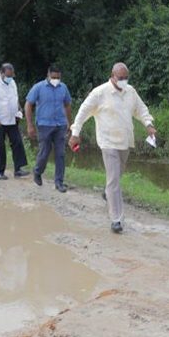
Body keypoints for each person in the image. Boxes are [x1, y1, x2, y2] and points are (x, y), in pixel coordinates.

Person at [70, 62, 156, 233]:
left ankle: (107, 192)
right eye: (121, 78)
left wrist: (148, 124)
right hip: (108, 142)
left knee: (116, 176)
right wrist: (75, 132)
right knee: (114, 179)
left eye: (126, 78)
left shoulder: (130, 91)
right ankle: (116, 219)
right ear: (112, 75)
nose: (124, 81)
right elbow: (83, 112)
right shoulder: (100, 93)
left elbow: (140, 109)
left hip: (125, 141)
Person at [25, 65, 72, 192]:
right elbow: (29, 104)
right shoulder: (39, 87)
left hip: (60, 125)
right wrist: (29, 125)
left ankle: (59, 182)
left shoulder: (63, 88)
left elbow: (67, 105)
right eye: (53, 77)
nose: (56, 79)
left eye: (58, 77)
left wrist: (70, 123)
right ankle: (37, 171)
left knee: (61, 154)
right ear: (48, 75)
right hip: (44, 125)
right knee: (44, 152)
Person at [0, 63, 29, 180]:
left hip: (12, 119)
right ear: (2, 73)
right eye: (8, 75)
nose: (10, 77)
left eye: (12, 75)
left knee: (17, 142)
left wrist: (19, 110)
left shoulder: (12, 82)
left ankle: (18, 169)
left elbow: (15, 98)